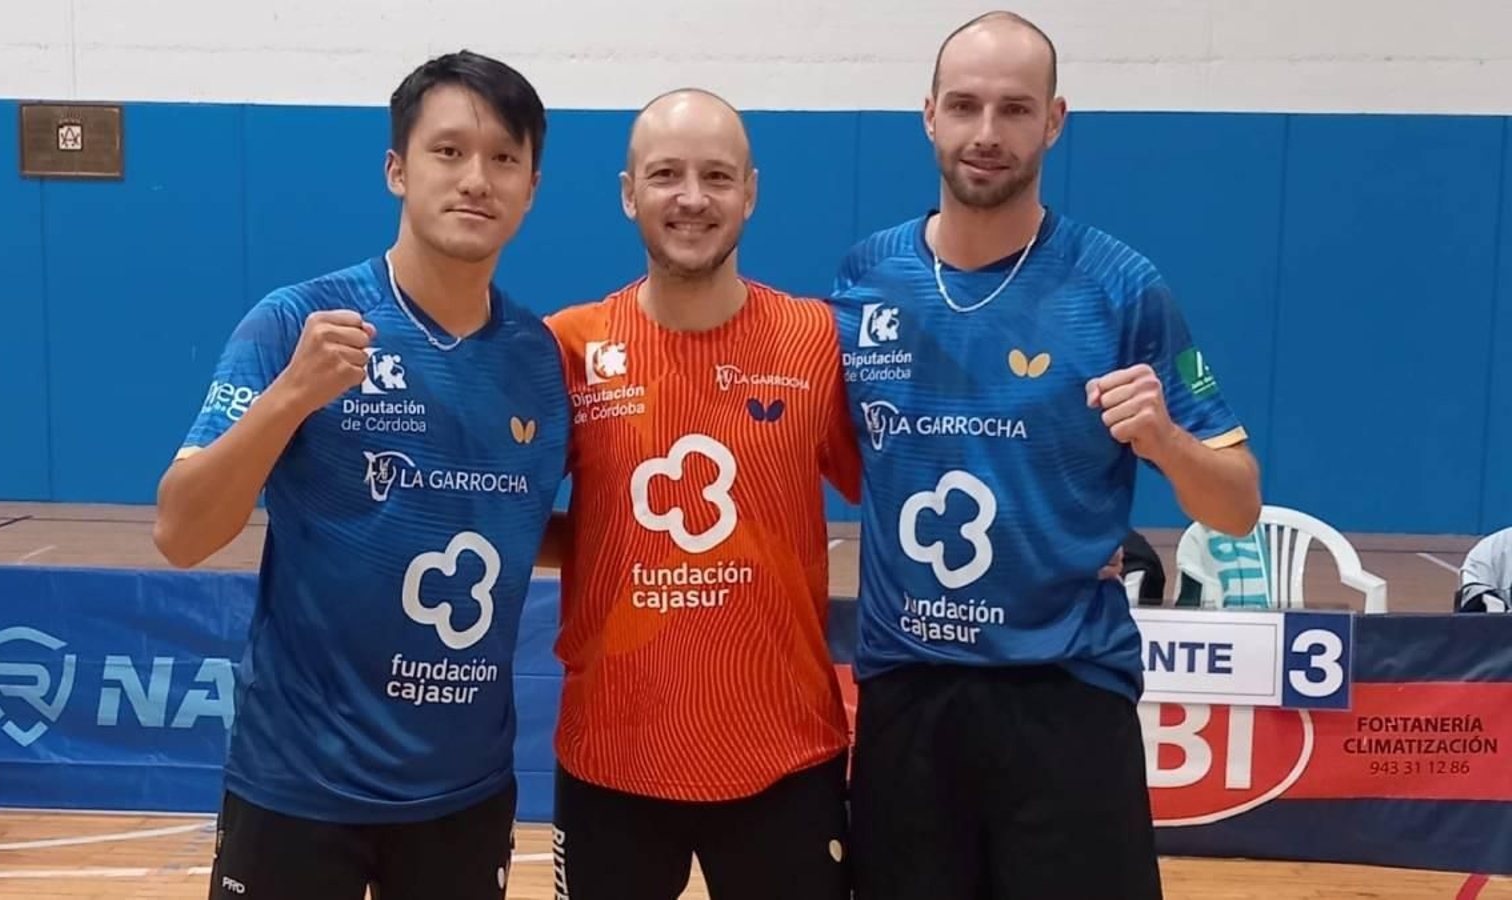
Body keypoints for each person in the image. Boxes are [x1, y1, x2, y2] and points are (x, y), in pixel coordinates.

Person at [829, 11, 1263, 900]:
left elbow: (1238, 506)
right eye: (965, 106)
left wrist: (1166, 441)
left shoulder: (1121, 287)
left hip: (1064, 697)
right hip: (908, 696)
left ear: (1054, 121)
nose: (987, 134)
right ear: (928, 115)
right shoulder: (864, 277)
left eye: (1015, 110)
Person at [151, 50, 570, 900]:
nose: (476, 180)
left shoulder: (543, 360)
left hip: (465, 795)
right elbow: (182, 532)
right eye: (447, 152)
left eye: (504, 159)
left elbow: (542, 526)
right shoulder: (297, 323)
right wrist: (291, 398)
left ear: (531, 187)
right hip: (298, 790)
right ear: (396, 169)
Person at [536, 88, 860, 900]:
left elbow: (900, 487)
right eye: (666, 175)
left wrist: (1057, 540)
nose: (691, 198)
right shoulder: (569, 348)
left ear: (750, 192)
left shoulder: (818, 341)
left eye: (717, 176)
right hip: (612, 758)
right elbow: (497, 507)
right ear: (627, 192)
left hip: (784, 759)